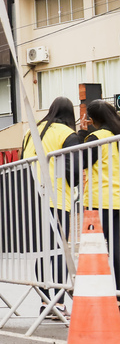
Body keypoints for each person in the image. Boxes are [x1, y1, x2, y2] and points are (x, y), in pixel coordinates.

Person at [21, 96, 83, 319]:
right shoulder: (66, 134)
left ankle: (45, 302)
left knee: (41, 252)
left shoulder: (31, 132)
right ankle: (57, 304)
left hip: (30, 199)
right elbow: (74, 170)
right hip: (55, 200)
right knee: (58, 252)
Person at [83, 100, 120, 298]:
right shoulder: (117, 135)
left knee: (97, 249)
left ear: (92, 119)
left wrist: (82, 135)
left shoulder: (96, 137)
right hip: (117, 199)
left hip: (100, 200)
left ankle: (102, 293)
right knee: (117, 249)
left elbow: (82, 162)